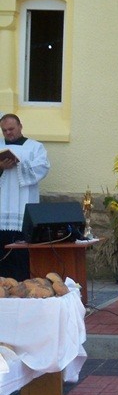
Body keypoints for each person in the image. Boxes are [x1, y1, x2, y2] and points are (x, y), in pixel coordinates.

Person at [0, 114, 50, 281]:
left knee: (22, 253)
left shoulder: (35, 147)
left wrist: (19, 163)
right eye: (4, 130)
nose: (8, 133)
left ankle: (24, 284)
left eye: (11, 129)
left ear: (20, 126)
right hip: (2, 208)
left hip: (24, 206)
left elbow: (42, 168)